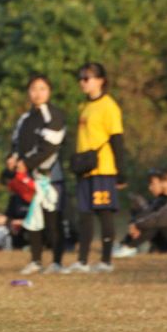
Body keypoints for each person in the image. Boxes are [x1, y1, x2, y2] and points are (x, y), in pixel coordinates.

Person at [64, 62, 127, 274]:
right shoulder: (84, 106)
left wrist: (120, 171)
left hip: (103, 169)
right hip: (86, 169)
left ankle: (106, 261)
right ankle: (82, 261)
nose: (82, 82)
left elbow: (117, 140)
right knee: (85, 215)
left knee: (104, 213)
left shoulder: (109, 106)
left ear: (101, 80)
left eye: (87, 78)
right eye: (80, 78)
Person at [12, 75, 67, 275]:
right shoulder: (25, 119)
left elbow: (49, 147)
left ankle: (57, 262)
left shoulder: (54, 115)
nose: (38, 93)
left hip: (50, 177)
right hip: (30, 179)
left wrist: (26, 163)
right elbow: (16, 144)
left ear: (49, 91)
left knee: (53, 221)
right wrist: (12, 158)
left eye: (42, 88)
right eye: (34, 89)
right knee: (33, 220)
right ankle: (36, 261)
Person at [114, 168, 167, 256]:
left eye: (153, 184)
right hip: (163, 241)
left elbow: (156, 218)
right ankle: (125, 245)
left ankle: (129, 246)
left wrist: (137, 225)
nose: (150, 188)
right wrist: (134, 220)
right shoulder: (158, 200)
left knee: (151, 222)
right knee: (140, 216)